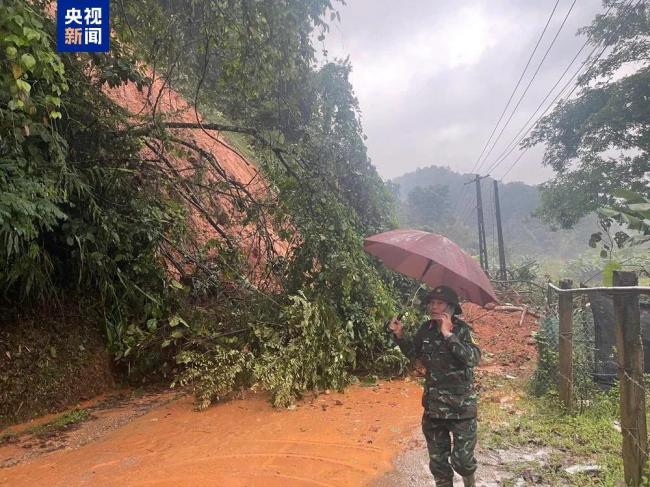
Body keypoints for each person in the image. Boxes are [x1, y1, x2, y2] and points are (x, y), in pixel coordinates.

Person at [389, 285, 480, 487]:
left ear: (451, 308)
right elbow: (414, 354)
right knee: (439, 464)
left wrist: (449, 335)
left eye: (439, 303)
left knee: (463, 462)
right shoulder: (426, 330)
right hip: (434, 408)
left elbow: (472, 358)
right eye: (431, 303)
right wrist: (400, 335)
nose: (434, 307)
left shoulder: (461, 330)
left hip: (461, 409)